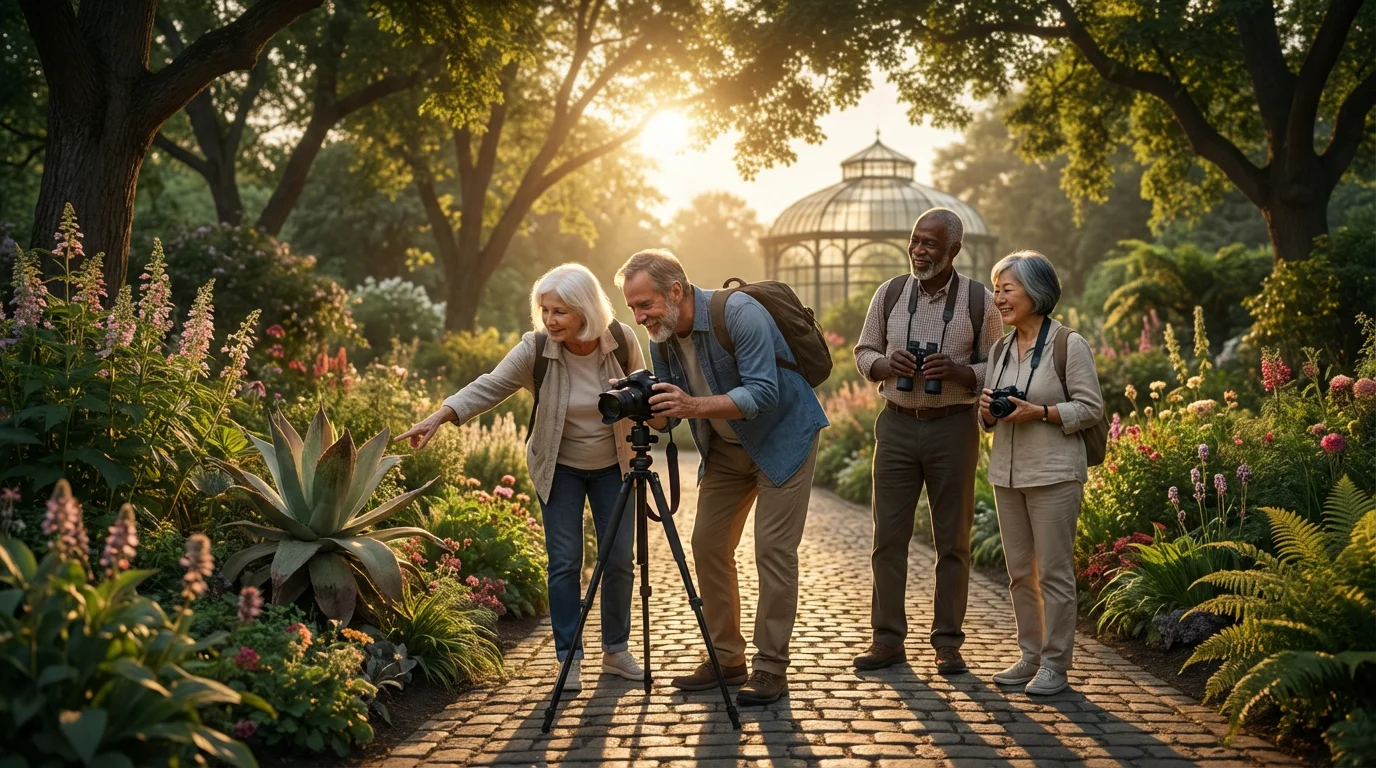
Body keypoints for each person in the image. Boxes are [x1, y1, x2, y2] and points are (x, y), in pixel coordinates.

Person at [396, 263, 645, 691]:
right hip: (559, 468)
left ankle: (616, 651)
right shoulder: (536, 348)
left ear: (585, 310)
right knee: (565, 562)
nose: (550, 320)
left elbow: (644, 391)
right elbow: (490, 385)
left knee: (619, 559)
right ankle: (570, 658)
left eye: (560, 311)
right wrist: (441, 415)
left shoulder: (620, 340)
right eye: (545, 310)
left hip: (614, 466)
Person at [614, 249, 828, 706]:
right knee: (708, 543)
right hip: (727, 450)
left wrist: (691, 406)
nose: (639, 316)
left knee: (772, 550)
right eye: (632, 308)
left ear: (676, 291)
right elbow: (670, 418)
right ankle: (727, 658)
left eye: (645, 304)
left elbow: (764, 393)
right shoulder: (662, 337)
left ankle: (771, 668)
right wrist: (638, 407)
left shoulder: (740, 313)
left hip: (783, 438)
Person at [851, 208, 1005, 675]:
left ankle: (948, 643)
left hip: (952, 426)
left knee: (953, 541)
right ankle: (887, 641)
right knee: (888, 539)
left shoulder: (981, 301)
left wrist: (959, 373)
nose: (918, 250)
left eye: (930, 244)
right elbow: (862, 352)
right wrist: (884, 366)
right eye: (915, 241)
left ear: (953, 250)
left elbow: (996, 368)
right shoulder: (891, 292)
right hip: (895, 423)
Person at [978, 250, 1104, 696]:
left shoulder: (1069, 344)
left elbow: (1091, 408)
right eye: (996, 289)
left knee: (1053, 573)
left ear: (1035, 291)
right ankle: (1029, 656)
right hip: (1007, 476)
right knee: (1018, 573)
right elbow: (989, 415)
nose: (998, 298)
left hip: (1054, 474)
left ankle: (1055, 664)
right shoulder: (1000, 349)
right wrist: (987, 413)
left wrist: (1041, 412)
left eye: (1006, 289)